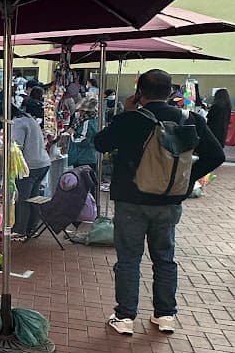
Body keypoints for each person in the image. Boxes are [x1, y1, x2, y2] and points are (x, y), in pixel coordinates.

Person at [94, 68, 225, 335]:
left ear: (140, 92)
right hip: (169, 201)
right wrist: (186, 180)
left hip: (131, 199)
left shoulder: (132, 119)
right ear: (171, 92)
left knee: (129, 259)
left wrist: (125, 112)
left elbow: (100, 143)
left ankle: (125, 316)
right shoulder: (191, 120)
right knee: (165, 258)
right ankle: (165, 315)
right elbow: (216, 155)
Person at [10, 97, 52, 238]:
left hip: (30, 166)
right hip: (43, 163)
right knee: (33, 197)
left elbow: (16, 146)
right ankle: (32, 228)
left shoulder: (17, 123)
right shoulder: (29, 119)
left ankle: (20, 230)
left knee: (23, 199)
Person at [66, 96, 99, 169]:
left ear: (86, 111)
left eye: (81, 110)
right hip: (84, 158)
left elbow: (83, 140)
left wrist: (72, 133)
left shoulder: (88, 122)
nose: (79, 112)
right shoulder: (85, 120)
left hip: (85, 159)